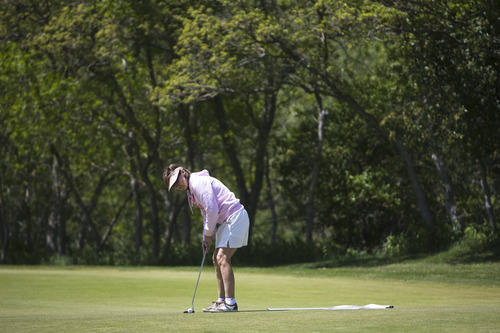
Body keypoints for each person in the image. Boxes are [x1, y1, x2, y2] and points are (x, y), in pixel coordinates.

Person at [163, 164, 249, 312]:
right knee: (216, 258)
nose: (178, 186)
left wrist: (208, 236)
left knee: (222, 257)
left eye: (178, 181)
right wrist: (205, 237)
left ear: (183, 172)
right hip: (226, 220)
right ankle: (221, 300)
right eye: (175, 186)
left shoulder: (197, 183)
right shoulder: (192, 191)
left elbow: (212, 210)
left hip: (235, 216)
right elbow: (206, 214)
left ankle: (230, 303)